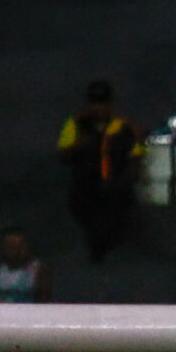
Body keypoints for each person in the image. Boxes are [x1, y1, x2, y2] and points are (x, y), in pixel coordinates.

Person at [57, 80, 140, 263]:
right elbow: (63, 154)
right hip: (84, 187)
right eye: (94, 104)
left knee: (118, 219)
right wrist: (79, 145)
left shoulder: (124, 127)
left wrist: (129, 179)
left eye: (102, 104)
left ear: (110, 105)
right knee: (88, 218)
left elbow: (136, 156)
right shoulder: (76, 124)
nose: (98, 109)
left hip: (115, 186)